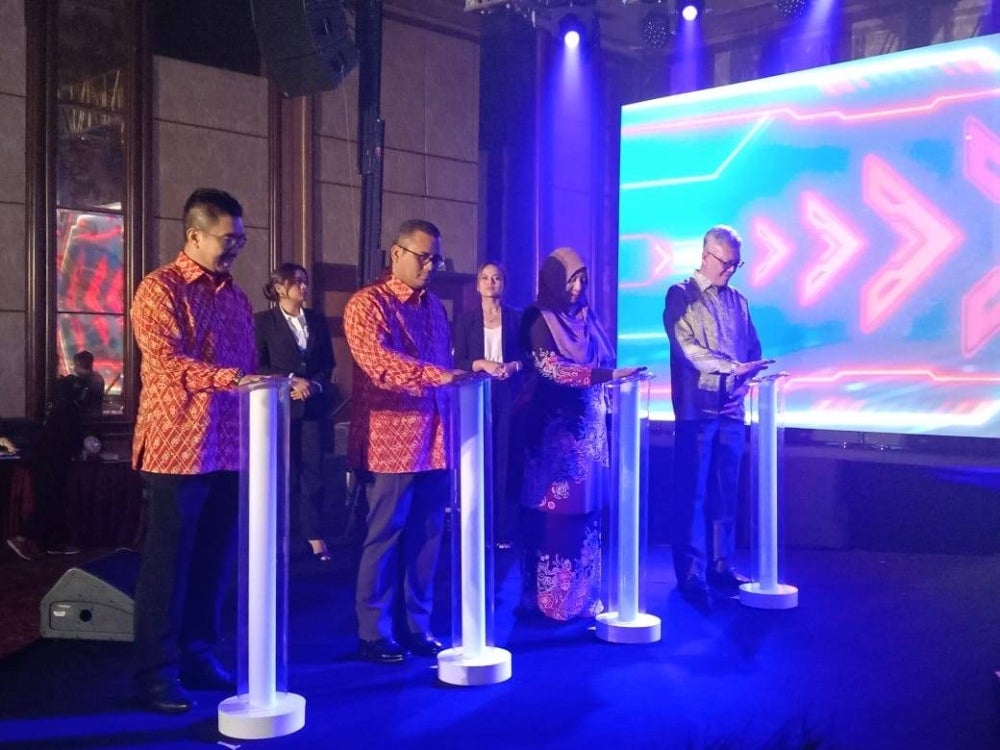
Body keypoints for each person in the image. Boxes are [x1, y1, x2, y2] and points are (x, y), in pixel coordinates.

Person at [129, 188, 258, 713]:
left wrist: (271, 385)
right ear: (194, 236)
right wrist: (233, 379)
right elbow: (165, 362)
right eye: (228, 239)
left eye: (241, 239)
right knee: (169, 564)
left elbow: (248, 366)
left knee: (214, 558)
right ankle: (156, 671)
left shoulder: (237, 297)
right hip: (177, 448)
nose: (236, 248)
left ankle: (198, 653)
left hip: (228, 446)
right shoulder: (159, 289)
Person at [343, 218, 468, 664]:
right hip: (389, 441)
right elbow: (379, 362)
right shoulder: (367, 303)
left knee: (429, 535)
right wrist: (438, 376)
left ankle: (417, 624)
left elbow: (445, 369)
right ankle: (373, 632)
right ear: (396, 253)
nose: (430, 267)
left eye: (436, 260)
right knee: (385, 535)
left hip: (435, 436)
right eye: (423, 257)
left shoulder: (434, 307)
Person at [518, 247, 643, 621]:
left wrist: (612, 382)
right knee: (555, 513)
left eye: (582, 281)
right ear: (554, 281)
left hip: (590, 430)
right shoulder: (538, 318)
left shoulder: (587, 318)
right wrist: (605, 376)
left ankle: (581, 599)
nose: (576, 288)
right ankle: (547, 602)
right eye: (570, 280)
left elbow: (605, 358)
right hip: (554, 434)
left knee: (586, 514)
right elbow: (552, 369)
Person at [662, 225, 773, 607]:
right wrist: (731, 368)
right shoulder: (681, 294)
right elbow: (686, 348)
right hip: (697, 409)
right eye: (725, 262)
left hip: (732, 408)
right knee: (692, 492)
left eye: (736, 264)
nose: (729, 270)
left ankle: (721, 563)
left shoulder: (739, 301)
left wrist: (749, 371)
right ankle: (691, 570)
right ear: (705, 255)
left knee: (726, 489)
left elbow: (752, 345)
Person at [255, 263, 336, 561]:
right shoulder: (264, 322)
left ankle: (314, 535)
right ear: (279, 288)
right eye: (297, 282)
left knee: (313, 472)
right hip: (279, 408)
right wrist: (290, 381)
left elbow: (328, 362)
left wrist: (313, 384)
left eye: (305, 281)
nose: (304, 287)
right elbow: (258, 364)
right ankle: (282, 537)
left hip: (313, 408)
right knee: (284, 473)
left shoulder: (316, 320)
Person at [452, 261, 524, 549]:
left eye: (496, 278)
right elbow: (458, 361)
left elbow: (529, 358)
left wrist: (512, 366)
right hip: (477, 393)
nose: (490, 282)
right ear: (477, 284)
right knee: (479, 456)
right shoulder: (466, 321)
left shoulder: (517, 318)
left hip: (510, 394)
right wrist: (481, 363)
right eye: (485, 278)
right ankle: (478, 526)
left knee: (507, 457)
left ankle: (505, 530)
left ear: (503, 283)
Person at [5, 377, 82, 560]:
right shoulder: (69, 409)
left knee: (50, 502)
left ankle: (50, 543)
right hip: (55, 463)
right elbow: (71, 439)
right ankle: (26, 538)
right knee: (49, 503)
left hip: (46, 461)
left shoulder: (58, 407)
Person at [71, 350, 105, 416]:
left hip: (84, 418)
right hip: (97, 416)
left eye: (74, 365)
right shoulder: (98, 378)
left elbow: (80, 401)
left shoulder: (81, 381)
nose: (74, 368)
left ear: (78, 364)